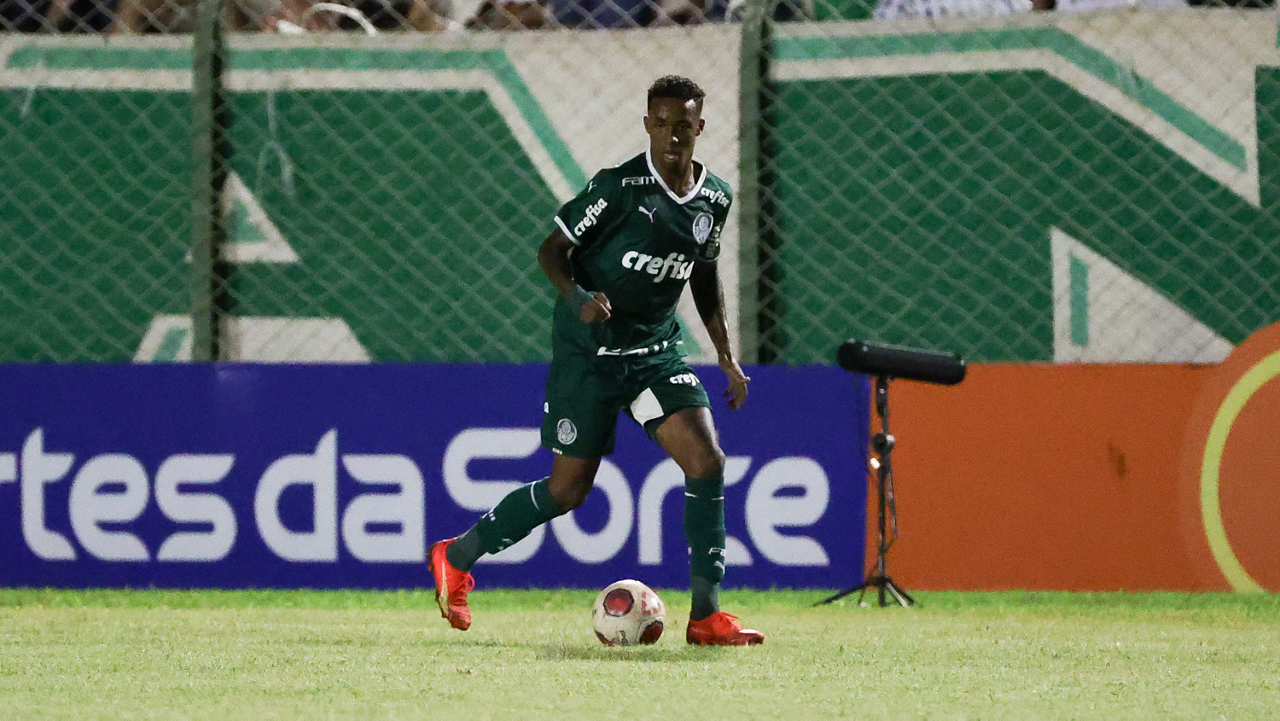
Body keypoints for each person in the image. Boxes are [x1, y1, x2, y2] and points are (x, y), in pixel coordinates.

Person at [428, 75, 764, 647]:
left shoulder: (714, 198)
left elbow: (703, 273)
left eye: (683, 126)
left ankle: (706, 616)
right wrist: (577, 297)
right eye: (662, 124)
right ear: (647, 124)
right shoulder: (618, 189)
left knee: (706, 460)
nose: (672, 136)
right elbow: (552, 250)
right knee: (568, 491)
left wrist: (726, 356)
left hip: (655, 353)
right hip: (590, 355)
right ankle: (457, 557)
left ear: (700, 127)